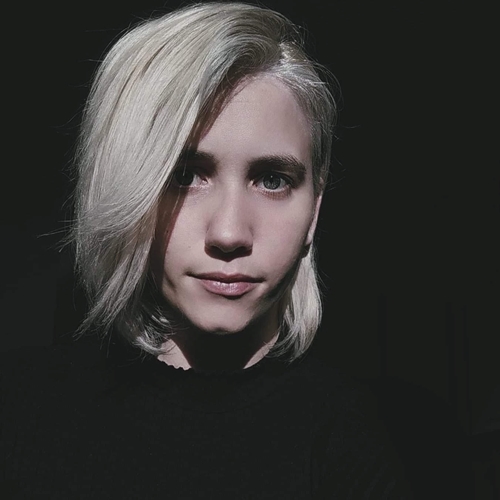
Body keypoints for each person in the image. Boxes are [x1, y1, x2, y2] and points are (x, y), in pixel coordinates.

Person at [0, 2, 415, 498]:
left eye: (272, 180)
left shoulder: (353, 440)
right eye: (184, 176)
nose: (229, 232)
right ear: (126, 186)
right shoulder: (19, 412)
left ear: (315, 210)